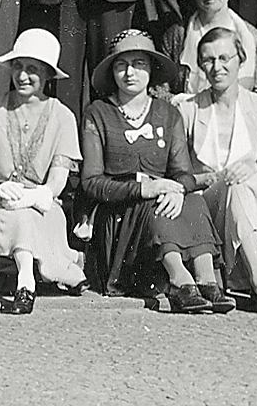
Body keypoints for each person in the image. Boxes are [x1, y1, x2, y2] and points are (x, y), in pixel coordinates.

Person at [78, 29, 218, 309]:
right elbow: (91, 182)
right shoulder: (98, 113)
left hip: (160, 206)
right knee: (156, 202)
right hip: (118, 215)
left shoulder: (169, 114)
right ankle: (180, 281)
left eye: (139, 64)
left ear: (151, 70)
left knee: (192, 199)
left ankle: (207, 281)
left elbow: (182, 174)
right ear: (112, 72)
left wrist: (178, 190)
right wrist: (145, 188)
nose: (130, 72)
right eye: (121, 65)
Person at [181, 17, 257, 309]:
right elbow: (180, 174)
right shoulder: (186, 109)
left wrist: (254, 166)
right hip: (207, 206)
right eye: (208, 60)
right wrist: (218, 179)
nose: (217, 67)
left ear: (241, 60)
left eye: (225, 58)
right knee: (244, 184)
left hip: (248, 201)